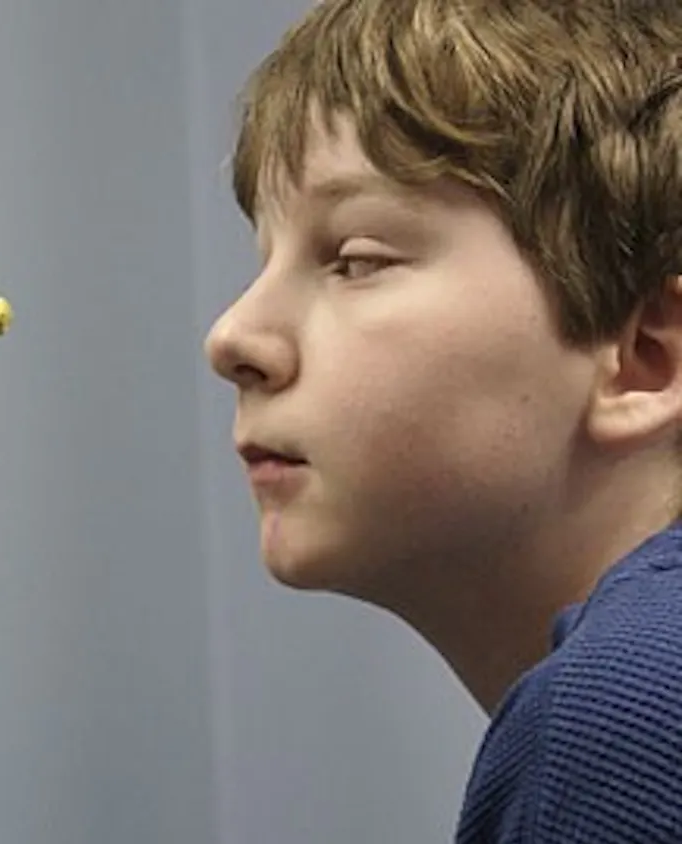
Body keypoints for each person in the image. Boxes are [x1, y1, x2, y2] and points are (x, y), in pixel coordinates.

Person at [205, 0, 682, 840]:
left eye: (355, 260)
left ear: (646, 357)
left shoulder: (634, 711)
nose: (232, 337)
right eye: (263, 261)